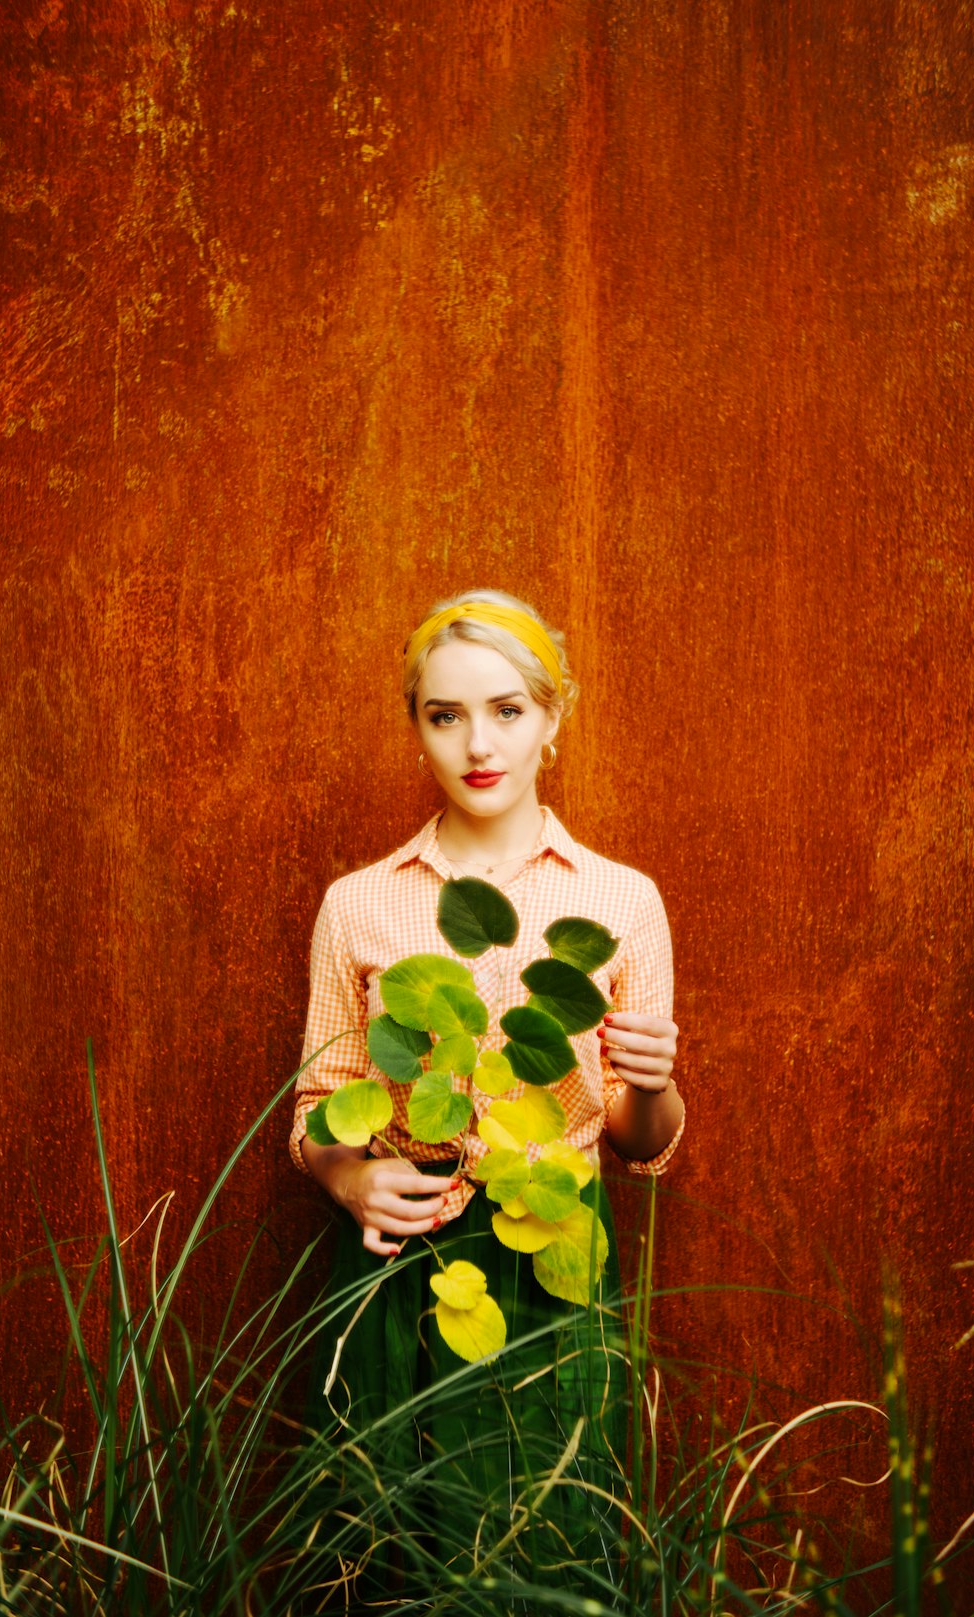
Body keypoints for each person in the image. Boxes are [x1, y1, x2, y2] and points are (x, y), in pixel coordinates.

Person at [289, 589, 684, 1601]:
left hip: (552, 1259)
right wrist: (349, 1183)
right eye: (446, 714)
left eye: (509, 710)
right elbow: (320, 1109)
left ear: (554, 717)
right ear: (415, 723)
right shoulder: (360, 904)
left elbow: (643, 1143)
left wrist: (648, 1082)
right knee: (390, 1560)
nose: (479, 743)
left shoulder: (621, 900)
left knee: (546, 1563)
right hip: (403, 1272)